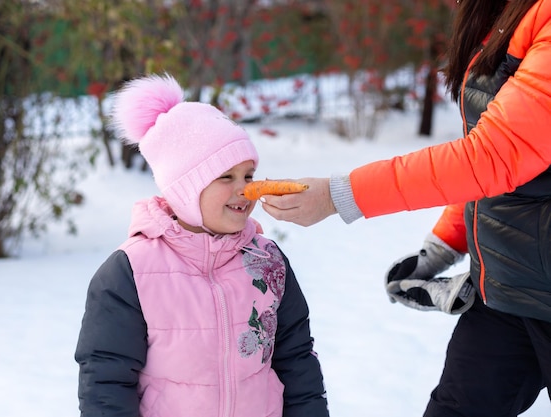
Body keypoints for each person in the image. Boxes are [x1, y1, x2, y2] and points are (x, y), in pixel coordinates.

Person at [260, 0, 551, 415]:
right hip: (507, 292)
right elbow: (502, 171)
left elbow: (493, 157)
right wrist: (442, 248)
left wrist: (339, 194)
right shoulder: (505, 15)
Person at [74, 73, 329, 417]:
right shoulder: (132, 272)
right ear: (185, 189)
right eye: (226, 176)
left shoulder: (267, 262)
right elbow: (106, 381)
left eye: (249, 175)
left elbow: (296, 359)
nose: (245, 190)